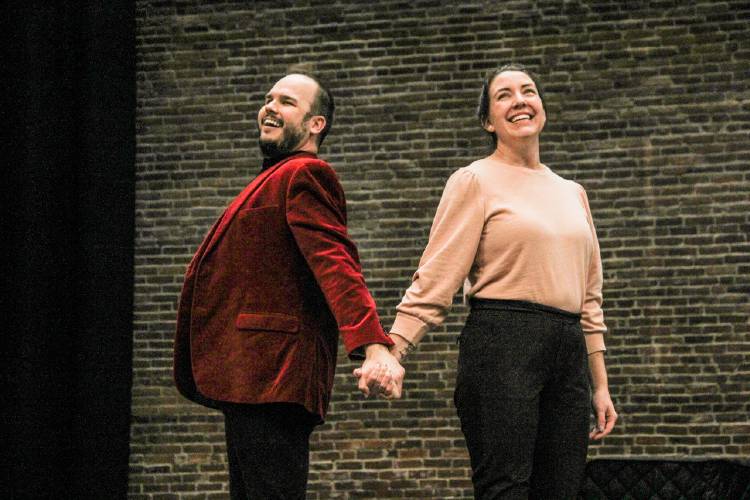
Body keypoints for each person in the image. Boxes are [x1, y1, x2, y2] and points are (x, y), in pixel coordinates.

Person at [387, 64, 617, 499]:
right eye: (504, 95)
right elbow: (437, 274)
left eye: (528, 91)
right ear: (489, 121)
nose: (520, 101)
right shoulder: (475, 181)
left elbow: (590, 299)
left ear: (542, 108)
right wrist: (395, 349)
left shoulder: (573, 192)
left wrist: (599, 386)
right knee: (505, 488)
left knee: (562, 490)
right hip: (502, 341)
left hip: (567, 351)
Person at [173, 72, 404, 500]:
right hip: (252, 377)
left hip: (274, 376)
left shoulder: (305, 175)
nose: (270, 107)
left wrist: (373, 345)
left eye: (286, 101)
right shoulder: (273, 178)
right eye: (268, 98)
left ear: (315, 124)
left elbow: (336, 263)